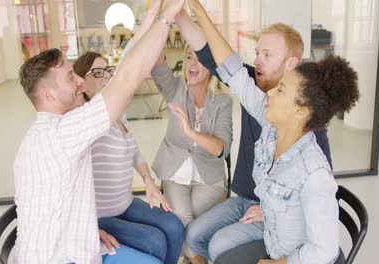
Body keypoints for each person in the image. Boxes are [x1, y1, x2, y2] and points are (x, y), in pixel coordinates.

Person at [12, 0, 186, 263]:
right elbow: (127, 77)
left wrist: (87, 231)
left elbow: (122, 68)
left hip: (64, 245)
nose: (80, 81)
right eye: (71, 77)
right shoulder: (63, 133)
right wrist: (166, 17)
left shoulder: (44, 133)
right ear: (47, 94)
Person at [186, 0, 359, 263]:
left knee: (220, 252)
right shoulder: (271, 124)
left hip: (289, 256)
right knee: (211, 247)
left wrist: (280, 263)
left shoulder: (313, 172)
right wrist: (198, 11)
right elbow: (233, 72)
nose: (268, 93)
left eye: (280, 91)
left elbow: (324, 250)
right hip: (273, 239)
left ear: (300, 111)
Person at [72, 51, 184, 264]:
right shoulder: (84, 121)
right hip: (101, 216)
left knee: (174, 226)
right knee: (155, 241)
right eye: (96, 72)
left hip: (126, 203)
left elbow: (135, 152)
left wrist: (149, 181)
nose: (105, 76)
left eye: (107, 71)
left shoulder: (118, 113)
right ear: (81, 83)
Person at [149, 41, 233, 262]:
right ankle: (197, 260)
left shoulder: (222, 102)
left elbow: (221, 149)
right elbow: (157, 63)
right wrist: (162, 20)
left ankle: (187, 257)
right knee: (184, 218)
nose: (192, 64)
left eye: (200, 59)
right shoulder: (175, 89)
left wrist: (190, 131)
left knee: (187, 223)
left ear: (213, 66)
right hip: (175, 173)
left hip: (209, 177)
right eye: (188, 57)